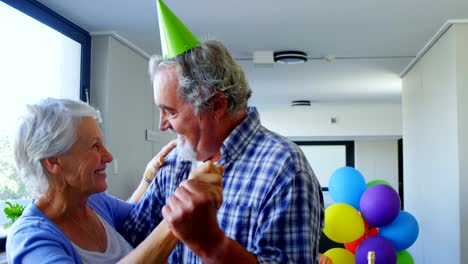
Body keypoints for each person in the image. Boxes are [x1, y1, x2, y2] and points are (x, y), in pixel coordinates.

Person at [120, 2, 324, 262]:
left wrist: (211, 243)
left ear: (217, 105)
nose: (162, 125)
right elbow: (127, 241)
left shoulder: (283, 168)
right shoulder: (173, 165)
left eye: (170, 111)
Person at [6, 97, 223, 264]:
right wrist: (176, 221)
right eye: (94, 146)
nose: (108, 156)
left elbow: (137, 212)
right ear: (54, 162)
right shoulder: (30, 239)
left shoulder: (95, 202)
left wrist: (149, 176)